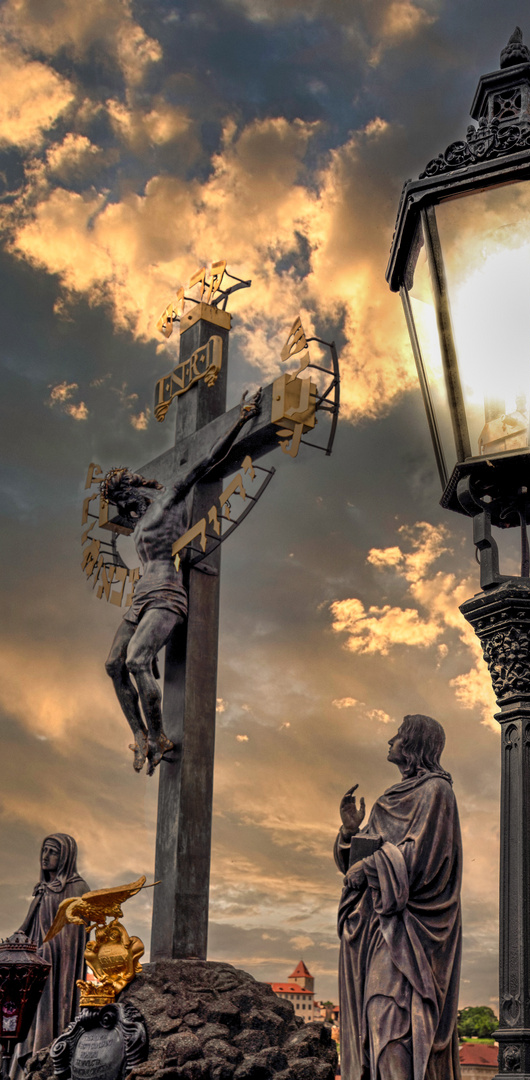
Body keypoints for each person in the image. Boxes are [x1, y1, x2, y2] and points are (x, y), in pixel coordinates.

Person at [103, 390, 260, 775]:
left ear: (135, 487)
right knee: (112, 664)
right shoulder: (137, 524)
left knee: (138, 660)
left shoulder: (169, 498)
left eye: (124, 493)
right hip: (141, 597)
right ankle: (140, 735)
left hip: (166, 593)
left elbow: (208, 460)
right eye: (120, 500)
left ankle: (158, 737)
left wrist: (241, 420)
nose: (123, 504)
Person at [335, 714, 462, 1080]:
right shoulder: (388, 799)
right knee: (377, 1021)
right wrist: (349, 833)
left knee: (394, 1020)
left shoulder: (437, 793)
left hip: (415, 930)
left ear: (413, 743)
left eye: (397, 735)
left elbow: (425, 857)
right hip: (379, 926)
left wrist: (369, 867)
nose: (389, 740)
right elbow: (358, 863)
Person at [11, 835, 89, 1078]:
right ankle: (28, 1062)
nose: (45, 856)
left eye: (52, 852)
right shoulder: (43, 891)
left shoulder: (77, 889)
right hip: (36, 967)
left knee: (47, 1012)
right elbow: (26, 928)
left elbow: (74, 937)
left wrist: (47, 950)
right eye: (44, 850)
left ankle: (51, 1054)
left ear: (65, 856)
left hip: (58, 969)